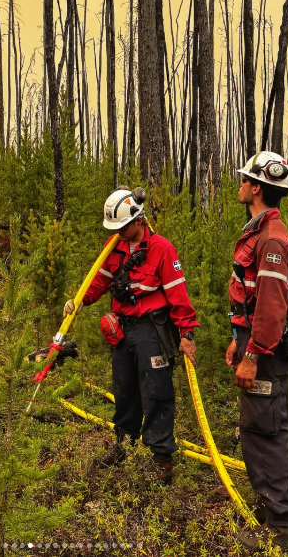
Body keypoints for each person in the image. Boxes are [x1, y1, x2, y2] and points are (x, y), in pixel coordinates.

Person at [63, 187, 199, 483]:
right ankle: (124, 445)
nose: (119, 232)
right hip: (122, 330)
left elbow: (178, 295)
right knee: (124, 390)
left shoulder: (162, 249)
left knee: (157, 392)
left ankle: (161, 458)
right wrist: (79, 299)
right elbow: (99, 281)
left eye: (123, 226)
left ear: (139, 220)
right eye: (115, 228)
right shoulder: (114, 247)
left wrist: (187, 334)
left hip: (152, 330)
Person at [226, 152, 288, 552]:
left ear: (256, 187)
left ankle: (280, 526)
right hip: (255, 340)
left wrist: (253, 355)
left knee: (267, 431)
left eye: (244, 179)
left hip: (267, 350)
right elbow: (253, 296)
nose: (239, 184)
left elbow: (273, 307)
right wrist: (237, 339)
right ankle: (269, 506)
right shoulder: (260, 231)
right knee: (258, 428)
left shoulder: (271, 240)